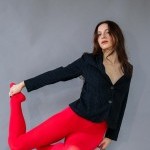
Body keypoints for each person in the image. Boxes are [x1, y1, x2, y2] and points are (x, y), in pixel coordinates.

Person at [8, 20, 133, 150]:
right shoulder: (88, 61)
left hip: (96, 128)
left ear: (117, 35)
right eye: (99, 33)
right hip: (73, 118)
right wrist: (24, 84)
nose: (103, 36)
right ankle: (16, 101)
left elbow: (121, 102)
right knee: (16, 146)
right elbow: (60, 74)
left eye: (108, 32)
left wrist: (111, 135)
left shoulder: (128, 69)